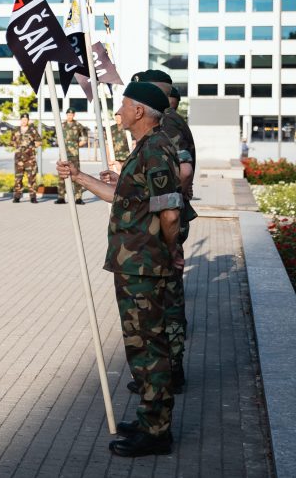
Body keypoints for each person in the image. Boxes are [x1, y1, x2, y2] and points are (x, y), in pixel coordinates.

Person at [56, 81, 183, 457]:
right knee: (139, 346)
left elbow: (171, 212)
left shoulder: (157, 150)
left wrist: (171, 250)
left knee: (149, 347)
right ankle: (149, 419)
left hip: (145, 264)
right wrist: (79, 177)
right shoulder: (146, 148)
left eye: (124, 105)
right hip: (135, 263)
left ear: (140, 111)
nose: (119, 112)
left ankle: (157, 432)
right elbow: (121, 196)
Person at [132, 71, 197, 395]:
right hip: (170, 217)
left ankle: (169, 371)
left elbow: (182, 170)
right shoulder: (174, 121)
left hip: (165, 224)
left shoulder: (166, 125)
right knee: (169, 296)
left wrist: (173, 197)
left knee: (167, 299)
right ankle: (169, 369)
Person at [55, 108, 88, 205]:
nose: (70, 116)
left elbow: (84, 137)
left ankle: (78, 198)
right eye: (68, 114)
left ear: (74, 115)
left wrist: (79, 144)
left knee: (76, 175)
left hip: (74, 155)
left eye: (71, 114)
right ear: (66, 115)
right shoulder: (62, 125)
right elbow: (57, 137)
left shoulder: (78, 125)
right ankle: (61, 197)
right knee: (62, 175)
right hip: (63, 154)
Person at [11, 112, 42, 203]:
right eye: (22, 119)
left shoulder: (33, 130)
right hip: (19, 159)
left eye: (26, 120)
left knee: (31, 178)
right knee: (18, 178)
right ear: (20, 120)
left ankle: (33, 197)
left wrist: (32, 146)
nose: (24, 121)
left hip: (30, 159)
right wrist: (18, 146)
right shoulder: (15, 130)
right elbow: (11, 142)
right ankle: (17, 196)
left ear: (28, 120)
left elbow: (39, 141)